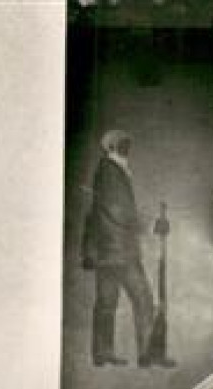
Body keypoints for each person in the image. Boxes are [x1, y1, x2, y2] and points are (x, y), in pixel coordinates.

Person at [81, 129, 159, 368]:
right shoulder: (112, 172)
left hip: (105, 253)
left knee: (106, 303)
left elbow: (94, 215)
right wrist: (152, 223)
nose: (128, 148)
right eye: (124, 145)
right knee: (143, 299)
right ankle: (146, 354)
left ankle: (102, 353)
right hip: (120, 252)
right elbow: (120, 210)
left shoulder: (106, 172)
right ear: (113, 147)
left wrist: (89, 251)